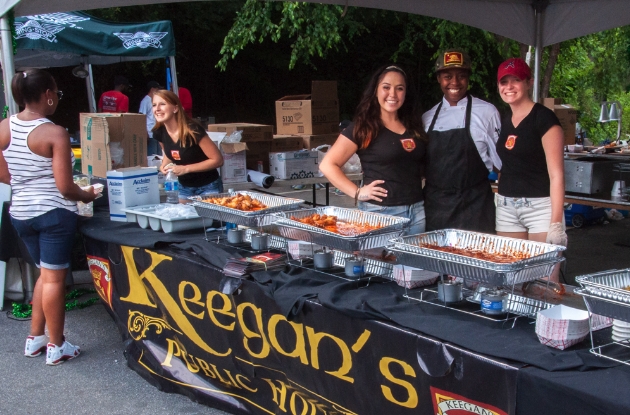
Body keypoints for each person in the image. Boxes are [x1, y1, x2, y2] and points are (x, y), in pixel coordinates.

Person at [0, 69, 99, 365]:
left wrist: (23, 184)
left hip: (20, 213)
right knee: (55, 280)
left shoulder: (4, 126)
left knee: (46, 273)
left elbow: (5, 174)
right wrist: (88, 194)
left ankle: (35, 337)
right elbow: (66, 187)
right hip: (53, 215)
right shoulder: (54, 132)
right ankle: (58, 345)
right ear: (48, 95)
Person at [319, 65, 427, 235]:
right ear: (375, 90)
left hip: (417, 211)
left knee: (413, 263)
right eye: (386, 87)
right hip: (380, 214)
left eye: (400, 88)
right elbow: (328, 164)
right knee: (380, 262)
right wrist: (357, 192)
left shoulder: (414, 126)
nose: (393, 94)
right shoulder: (364, 127)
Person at [495, 57, 567, 273]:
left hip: (540, 208)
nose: (509, 87)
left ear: (529, 82)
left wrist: (556, 223)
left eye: (515, 80)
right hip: (507, 208)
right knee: (512, 277)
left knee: (542, 279)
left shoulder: (545, 119)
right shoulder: (505, 119)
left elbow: (557, 176)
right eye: (503, 82)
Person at [422, 49, 502, 233]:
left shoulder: (487, 113)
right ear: (438, 79)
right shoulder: (426, 118)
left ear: (468, 79)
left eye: (461, 76)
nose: (455, 83)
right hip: (436, 208)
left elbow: (501, 165)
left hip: (476, 206)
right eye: (447, 76)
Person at [152, 89, 224, 202]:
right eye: (154, 105)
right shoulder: (159, 132)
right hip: (183, 187)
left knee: (207, 220)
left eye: (162, 104)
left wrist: (186, 168)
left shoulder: (192, 130)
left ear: (175, 108)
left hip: (208, 186)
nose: (157, 109)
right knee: (183, 218)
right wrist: (164, 165)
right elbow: (169, 152)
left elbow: (218, 160)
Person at [139, 80, 163, 155]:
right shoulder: (145, 101)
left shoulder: (154, 101)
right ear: (152, 89)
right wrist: (145, 133)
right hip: (150, 132)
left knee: (158, 155)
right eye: (157, 89)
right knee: (152, 155)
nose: (158, 91)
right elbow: (141, 117)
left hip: (156, 132)